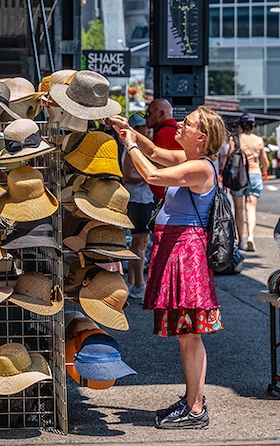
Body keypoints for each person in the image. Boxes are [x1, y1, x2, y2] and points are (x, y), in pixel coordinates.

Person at [109, 105, 226, 430]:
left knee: (190, 334)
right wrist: (129, 134)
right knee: (187, 335)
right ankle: (193, 402)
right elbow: (157, 152)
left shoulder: (201, 168)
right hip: (180, 251)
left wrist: (130, 144)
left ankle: (196, 407)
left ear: (200, 138)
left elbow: (153, 174)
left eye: (187, 124)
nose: (181, 126)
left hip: (186, 254)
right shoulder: (192, 162)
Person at [122, 113, 153, 301]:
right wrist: (148, 176)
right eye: (142, 126)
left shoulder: (137, 147)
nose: (146, 129)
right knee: (140, 242)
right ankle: (139, 284)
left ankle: (134, 281)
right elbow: (126, 175)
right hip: (138, 199)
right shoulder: (132, 148)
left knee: (137, 243)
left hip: (141, 198)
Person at [229, 112, 269, 251]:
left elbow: (229, 159)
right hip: (254, 174)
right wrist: (264, 172)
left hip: (239, 176)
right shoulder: (258, 140)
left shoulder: (235, 139)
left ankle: (241, 240)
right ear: (253, 125)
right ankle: (251, 236)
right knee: (251, 208)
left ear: (240, 124)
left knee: (238, 210)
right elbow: (265, 162)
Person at [145, 98, 183, 201]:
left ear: (160, 114)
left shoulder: (163, 134)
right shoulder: (175, 131)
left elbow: (156, 164)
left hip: (164, 194)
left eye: (149, 113)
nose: (146, 117)